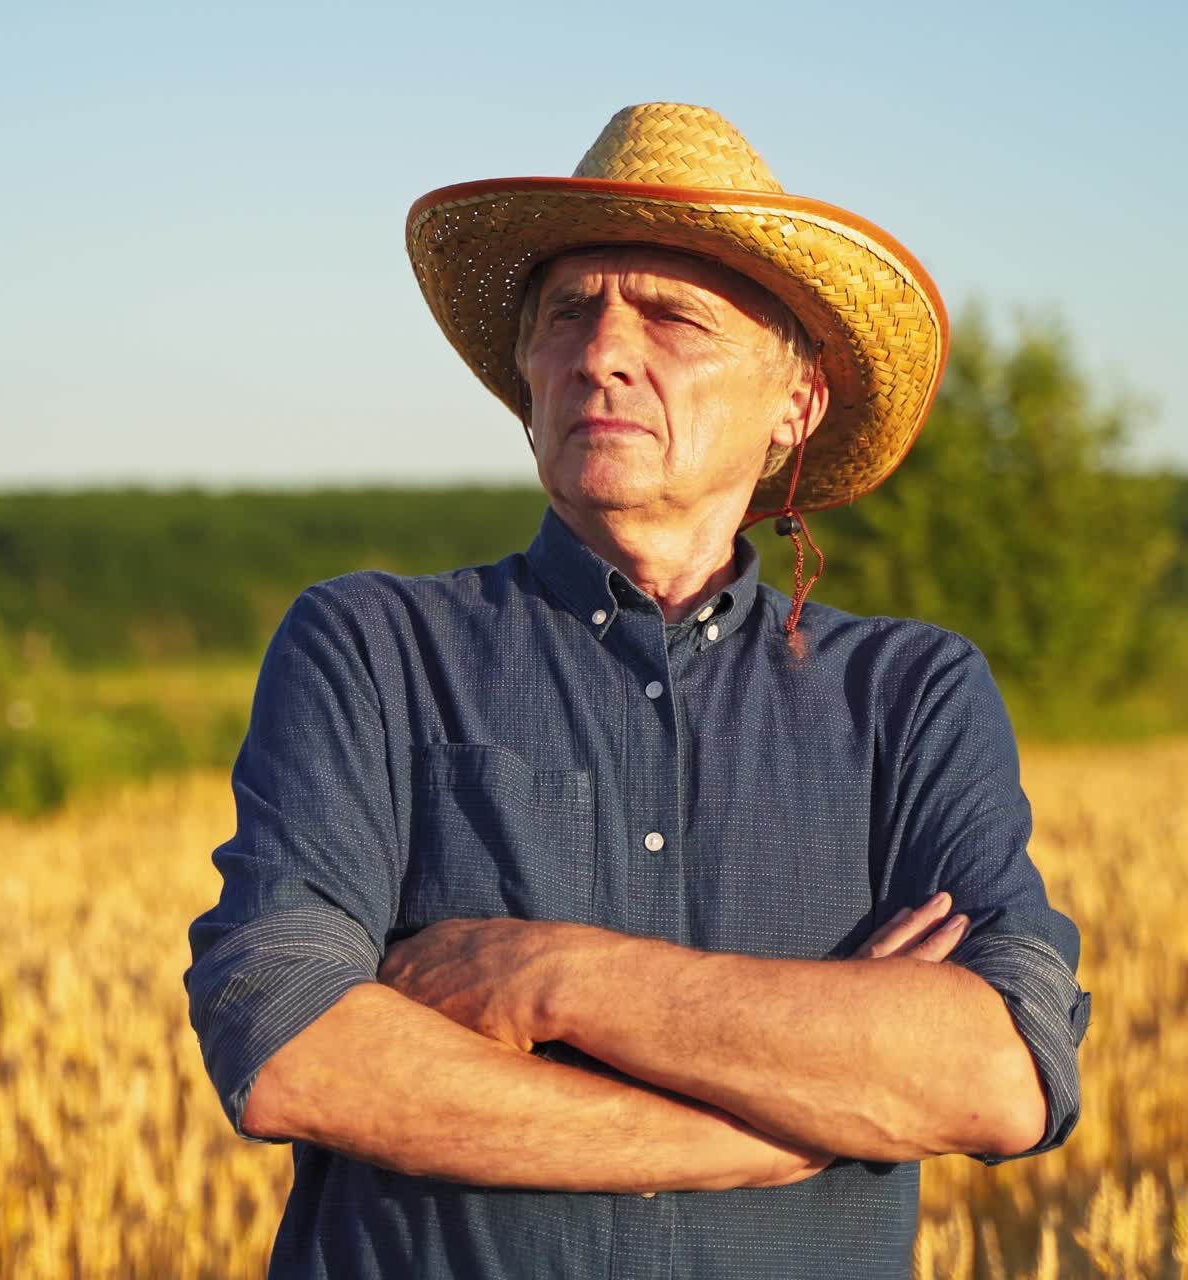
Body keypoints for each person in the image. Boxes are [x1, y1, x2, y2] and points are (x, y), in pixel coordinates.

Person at [185, 102, 1089, 1279]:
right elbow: (292, 1042)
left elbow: (999, 1070)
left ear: (793, 405)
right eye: (568, 310)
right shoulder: (370, 646)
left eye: (670, 314)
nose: (601, 349)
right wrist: (763, 1128)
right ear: (524, 369)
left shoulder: (908, 695)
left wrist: (548, 973)